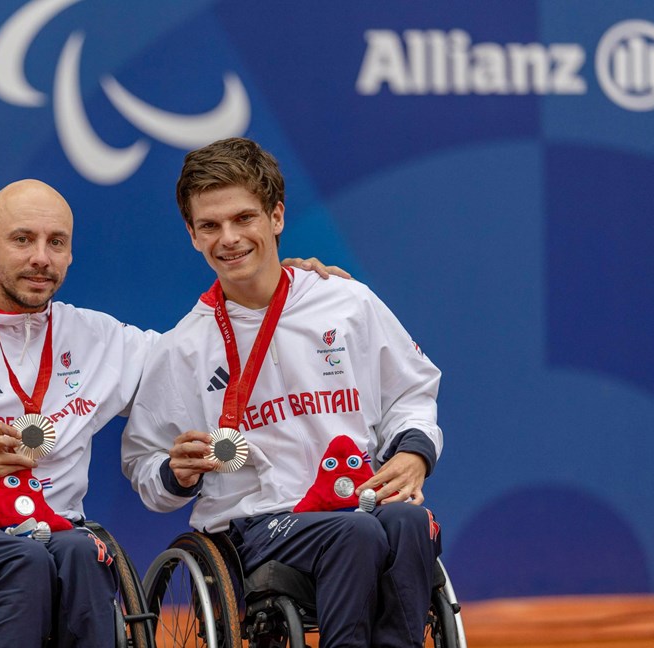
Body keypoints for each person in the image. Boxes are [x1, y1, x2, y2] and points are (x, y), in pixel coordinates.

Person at [0, 178, 347, 648]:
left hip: (57, 530)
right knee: (27, 561)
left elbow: (197, 352)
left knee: (84, 552)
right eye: (22, 240)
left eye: (55, 242)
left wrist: (280, 286)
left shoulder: (100, 340)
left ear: (70, 252)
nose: (41, 258)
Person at [121, 138, 443, 648]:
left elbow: (411, 392)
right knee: (356, 534)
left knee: (408, 520)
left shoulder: (346, 302)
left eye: (244, 218)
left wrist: (414, 454)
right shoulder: (183, 348)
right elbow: (145, 468)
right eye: (210, 225)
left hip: (357, 499)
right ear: (192, 234)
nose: (228, 238)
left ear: (276, 216)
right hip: (258, 526)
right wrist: (174, 472)